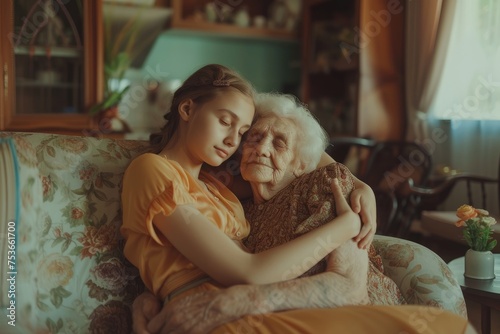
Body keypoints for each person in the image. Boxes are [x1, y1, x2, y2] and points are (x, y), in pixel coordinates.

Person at [122, 64, 473, 334]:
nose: (236, 141)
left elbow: (294, 145)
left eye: (242, 131)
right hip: (217, 315)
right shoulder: (152, 169)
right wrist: (345, 225)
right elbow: (246, 272)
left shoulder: (221, 188)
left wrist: (354, 181)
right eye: (226, 122)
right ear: (186, 110)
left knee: (445, 326)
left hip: (250, 308)